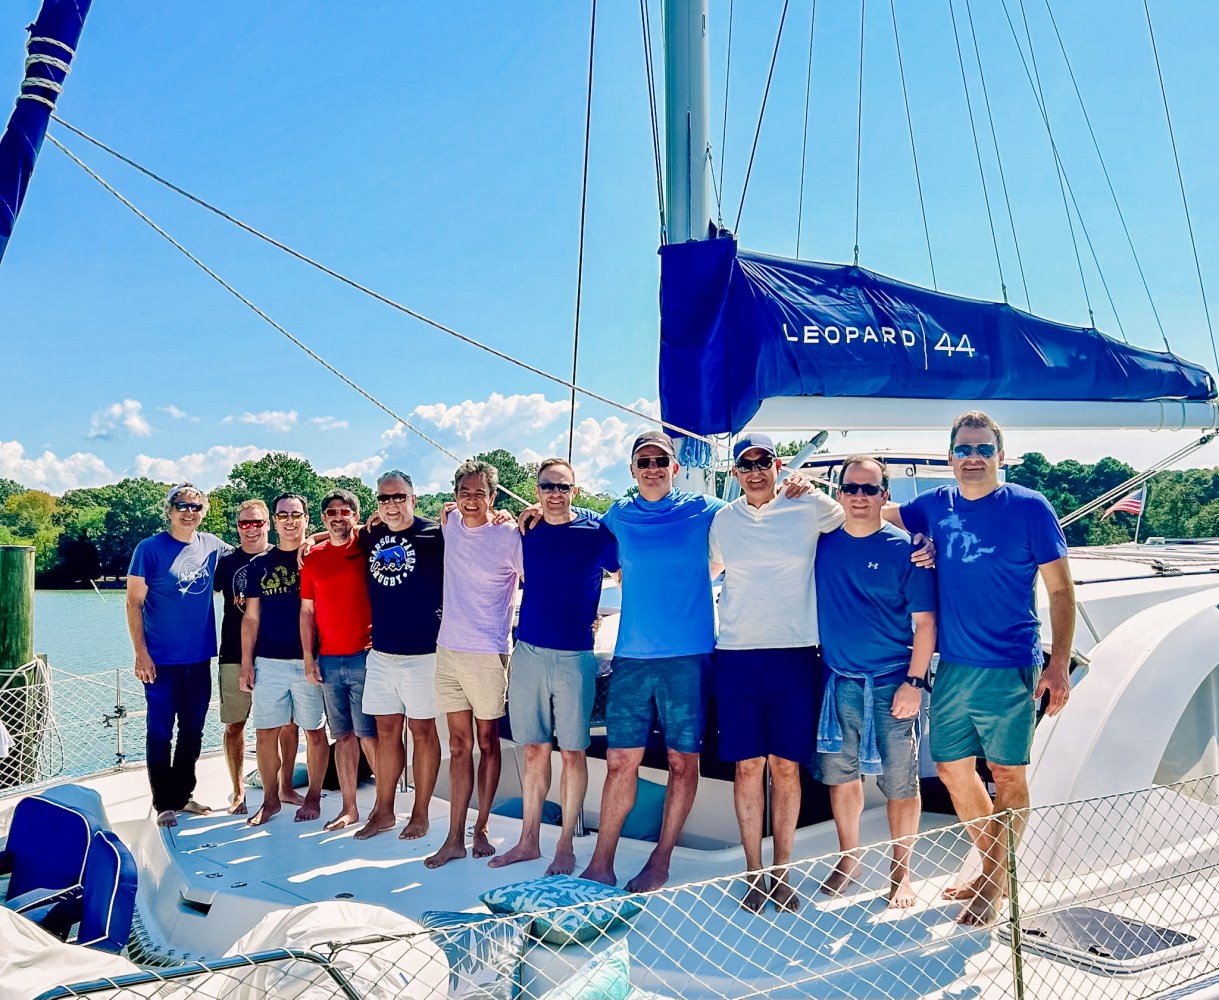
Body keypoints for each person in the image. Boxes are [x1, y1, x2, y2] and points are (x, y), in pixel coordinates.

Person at [577, 430, 811, 892]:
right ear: (631, 470)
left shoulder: (707, 510)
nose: (652, 468)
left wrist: (794, 486)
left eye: (660, 460)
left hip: (690, 656)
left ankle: (661, 860)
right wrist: (525, 514)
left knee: (684, 762)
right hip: (630, 657)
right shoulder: (618, 517)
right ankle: (602, 860)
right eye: (643, 461)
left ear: (675, 467)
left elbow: (759, 505)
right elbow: (575, 527)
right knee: (621, 761)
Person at [887, 410, 1074, 925]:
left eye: (983, 449)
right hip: (953, 667)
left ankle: (992, 884)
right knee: (951, 769)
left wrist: (1058, 665)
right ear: (949, 458)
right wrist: (801, 489)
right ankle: (996, 868)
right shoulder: (932, 506)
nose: (973, 458)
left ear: (1000, 455)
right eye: (964, 450)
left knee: (1007, 774)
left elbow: (1060, 591)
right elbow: (873, 510)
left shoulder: (1030, 508)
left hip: (1010, 664)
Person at [707, 433, 845, 912]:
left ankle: (782, 872)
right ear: (735, 473)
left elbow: (860, 517)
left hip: (794, 653)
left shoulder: (808, 504)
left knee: (787, 767)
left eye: (762, 462)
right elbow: (704, 571)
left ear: (778, 464)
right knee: (748, 767)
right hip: (738, 655)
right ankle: (753, 872)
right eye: (745, 465)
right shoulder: (724, 520)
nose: (754, 471)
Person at [815, 456, 936, 909]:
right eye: (851, 489)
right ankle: (850, 860)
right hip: (839, 682)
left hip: (893, 683)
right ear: (840, 494)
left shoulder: (906, 550)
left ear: (886, 496)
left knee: (901, 783)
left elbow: (925, 624)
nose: (860, 497)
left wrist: (914, 682)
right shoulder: (821, 543)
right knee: (841, 779)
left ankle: (900, 874)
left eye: (870, 489)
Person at [490, 458, 619, 875]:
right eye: (548, 487)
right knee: (533, 751)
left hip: (575, 656)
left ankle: (565, 844)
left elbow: (625, 575)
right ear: (537, 491)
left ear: (575, 492)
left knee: (574, 752)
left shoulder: (596, 532)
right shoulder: (525, 530)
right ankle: (528, 840)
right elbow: (472, 520)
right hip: (527, 651)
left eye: (563, 487)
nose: (555, 494)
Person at [426, 459, 523, 869]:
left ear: (493, 496)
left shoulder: (509, 534)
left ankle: (481, 826)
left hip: (487, 651)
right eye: (464, 492)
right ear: (455, 495)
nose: (471, 499)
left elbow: (535, 579)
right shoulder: (449, 523)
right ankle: (453, 837)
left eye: (479, 492)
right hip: (447, 649)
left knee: (487, 743)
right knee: (459, 745)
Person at [126, 483, 231, 827]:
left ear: (204, 511)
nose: (189, 512)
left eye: (196, 507)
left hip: (199, 659)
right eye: (182, 506)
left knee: (193, 731)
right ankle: (163, 803)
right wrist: (141, 654)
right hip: (160, 662)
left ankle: (183, 795)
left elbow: (254, 553)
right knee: (159, 732)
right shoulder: (149, 549)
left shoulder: (212, 546)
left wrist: (308, 540)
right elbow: (133, 603)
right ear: (169, 510)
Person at [354, 471, 444, 843]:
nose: (392, 504)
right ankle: (384, 809)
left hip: (424, 653)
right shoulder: (372, 533)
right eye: (384, 498)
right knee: (385, 731)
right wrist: (312, 538)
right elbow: (343, 534)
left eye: (399, 497)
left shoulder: (436, 534)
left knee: (423, 732)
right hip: (381, 653)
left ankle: (420, 812)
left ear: (413, 498)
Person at [238, 493, 329, 826]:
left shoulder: (320, 556)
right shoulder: (257, 565)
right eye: (283, 516)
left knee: (314, 732)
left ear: (307, 519)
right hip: (269, 662)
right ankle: (271, 799)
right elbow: (251, 618)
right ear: (274, 521)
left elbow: (357, 528)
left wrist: (317, 539)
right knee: (265, 733)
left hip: (312, 662)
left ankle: (314, 797)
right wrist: (247, 664)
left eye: (297, 515)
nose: (290, 521)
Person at [214, 499, 300, 816]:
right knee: (235, 726)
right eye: (244, 523)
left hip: (278, 654)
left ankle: (286, 787)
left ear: (269, 524)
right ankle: (238, 791)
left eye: (257, 522)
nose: (251, 528)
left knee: (288, 726)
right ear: (237, 527)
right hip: (235, 654)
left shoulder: (290, 556)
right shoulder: (225, 562)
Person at [300, 488, 377, 832]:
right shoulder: (312, 558)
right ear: (323, 517)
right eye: (331, 512)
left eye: (345, 512)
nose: (338, 517)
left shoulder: (366, 546)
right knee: (343, 736)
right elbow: (307, 611)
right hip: (328, 659)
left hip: (366, 655)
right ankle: (350, 808)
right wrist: (308, 656)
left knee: (369, 735)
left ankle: (384, 807)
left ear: (355, 516)